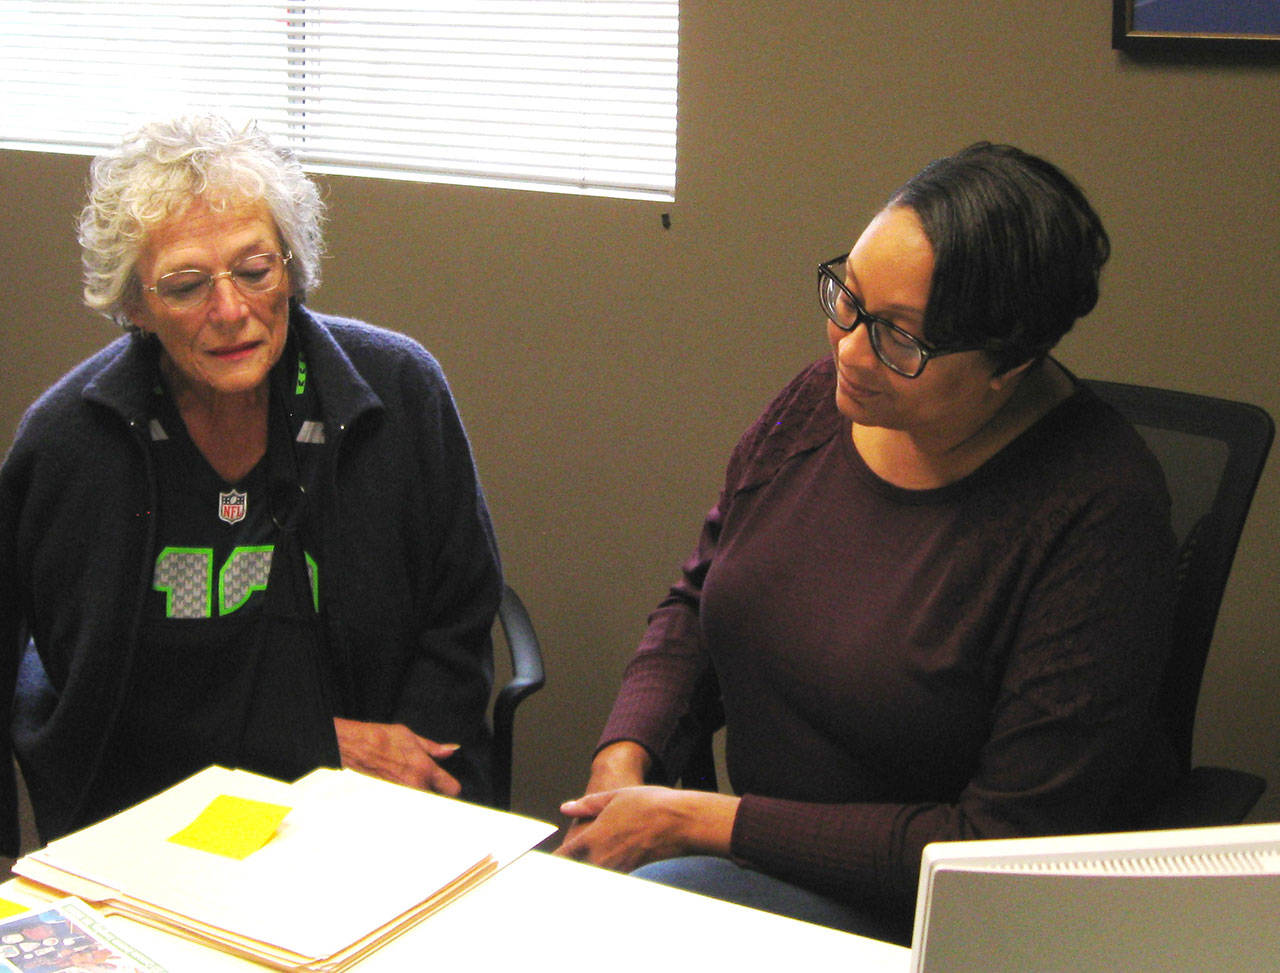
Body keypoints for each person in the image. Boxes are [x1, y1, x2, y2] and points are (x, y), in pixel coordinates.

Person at [556, 142, 1179, 943]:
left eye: (899, 338)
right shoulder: (820, 405)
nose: (847, 350)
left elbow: (999, 848)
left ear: (1011, 363)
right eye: (846, 297)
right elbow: (696, 604)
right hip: (733, 856)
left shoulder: (1099, 513)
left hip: (925, 917)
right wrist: (625, 755)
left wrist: (700, 822)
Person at [0, 113, 503, 855]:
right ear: (134, 305)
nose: (230, 310)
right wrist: (310, 744)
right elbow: (98, 700)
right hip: (160, 826)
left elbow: (458, 616)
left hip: (382, 813)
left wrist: (408, 772)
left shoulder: (399, 392)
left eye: (254, 270)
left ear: (292, 267)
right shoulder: (69, 446)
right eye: (186, 284)